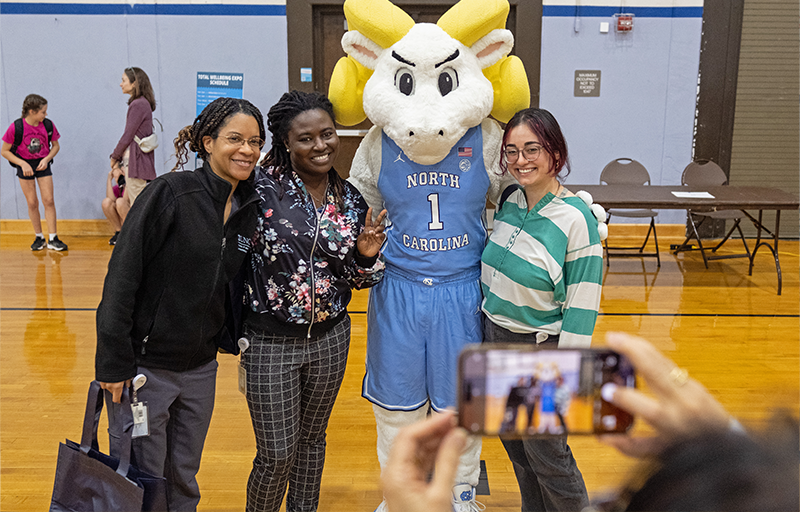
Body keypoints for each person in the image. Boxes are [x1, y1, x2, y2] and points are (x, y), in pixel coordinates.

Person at [382, 333, 799, 512]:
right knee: (528, 460)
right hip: (511, 342)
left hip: (545, 353)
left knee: (550, 460)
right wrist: (725, 441)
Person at [95, 97, 264, 511]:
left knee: (183, 478)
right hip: (145, 370)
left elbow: (230, 282)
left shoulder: (248, 206)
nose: (247, 150)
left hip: (201, 370)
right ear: (208, 142)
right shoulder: (170, 193)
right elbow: (122, 277)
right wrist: (113, 362)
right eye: (235, 139)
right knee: (141, 478)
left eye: (256, 142)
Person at [239, 90, 386, 512]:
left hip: (331, 339)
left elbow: (355, 279)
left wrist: (364, 255)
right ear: (285, 142)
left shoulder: (350, 199)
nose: (320, 145)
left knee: (311, 442)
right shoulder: (260, 190)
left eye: (326, 134)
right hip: (269, 343)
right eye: (306, 138)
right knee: (276, 454)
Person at [480, 107, 604, 511]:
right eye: (512, 151)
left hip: (540, 351)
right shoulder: (510, 200)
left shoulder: (576, 220)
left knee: (550, 459)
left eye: (532, 149)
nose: (520, 161)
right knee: (518, 452)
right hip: (495, 341)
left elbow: (583, 307)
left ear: (555, 153)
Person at [1, 94, 67, 251]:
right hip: (24, 164)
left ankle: (53, 238)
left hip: (42, 163)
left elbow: (56, 145)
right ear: (32, 112)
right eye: (43, 112)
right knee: (32, 202)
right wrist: (22, 163)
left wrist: (47, 158)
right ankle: (39, 237)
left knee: (49, 200)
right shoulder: (16, 127)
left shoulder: (48, 125)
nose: (46, 115)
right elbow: (5, 151)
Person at [108, 66, 157, 241]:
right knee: (137, 203)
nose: (120, 84)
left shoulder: (138, 104)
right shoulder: (143, 103)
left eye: (124, 80)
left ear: (134, 83)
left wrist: (114, 156)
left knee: (138, 205)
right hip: (136, 161)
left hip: (136, 162)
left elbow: (128, 135)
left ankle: (141, 243)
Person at [101, 164, 130, 245]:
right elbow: (110, 200)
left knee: (120, 202)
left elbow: (125, 200)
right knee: (106, 202)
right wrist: (109, 179)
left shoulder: (131, 186)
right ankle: (118, 232)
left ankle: (127, 233)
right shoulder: (117, 188)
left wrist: (127, 179)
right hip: (120, 219)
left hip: (129, 215)